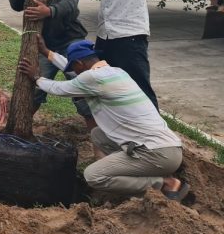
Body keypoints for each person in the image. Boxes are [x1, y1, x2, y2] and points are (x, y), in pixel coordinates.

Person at [19, 38, 189, 200]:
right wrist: (47, 52)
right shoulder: (115, 72)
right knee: (98, 135)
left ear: (79, 63)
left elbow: (59, 88)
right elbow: (71, 70)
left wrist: (36, 78)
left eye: (74, 67)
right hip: (168, 149)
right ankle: (140, 174)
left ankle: (164, 183)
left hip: (157, 154)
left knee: (93, 176)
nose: (74, 73)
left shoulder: (93, 78)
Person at [9, 0, 94, 128]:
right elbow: (17, 5)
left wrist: (49, 11)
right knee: (34, 87)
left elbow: (70, 4)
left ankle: (96, 132)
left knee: (82, 87)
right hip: (43, 45)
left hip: (71, 41)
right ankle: (20, 129)